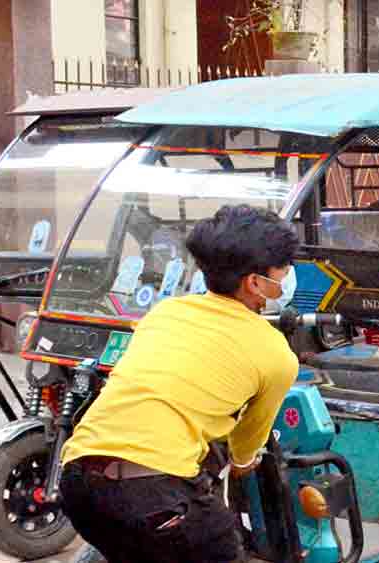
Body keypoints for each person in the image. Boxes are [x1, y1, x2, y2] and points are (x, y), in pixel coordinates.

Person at [59, 204, 301, 563]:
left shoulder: (165, 313)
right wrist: (242, 463)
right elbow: (247, 444)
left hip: (78, 481)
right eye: (284, 269)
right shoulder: (276, 354)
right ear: (255, 282)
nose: (288, 275)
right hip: (158, 494)